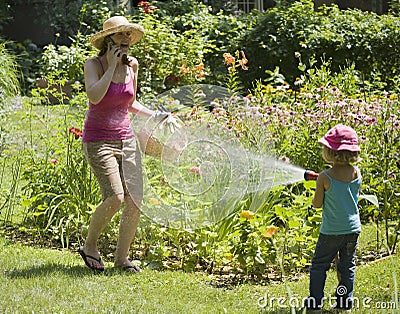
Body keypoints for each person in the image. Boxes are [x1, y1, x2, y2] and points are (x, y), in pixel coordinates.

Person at [78, 16, 170, 272]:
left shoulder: (133, 66)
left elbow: (129, 103)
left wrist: (155, 114)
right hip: (98, 140)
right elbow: (95, 97)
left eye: (129, 35)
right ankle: (90, 246)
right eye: (121, 35)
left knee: (135, 198)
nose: (127, 40)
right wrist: (111, 67)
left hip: (126, 138)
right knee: (115, 197)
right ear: (108, 41)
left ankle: (121, 259)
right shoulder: (93, 64)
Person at [304, 124, 362, 312]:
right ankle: (345, 301)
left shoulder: (324, 176)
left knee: (319, 265)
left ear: (330, 152)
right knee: (346, 266)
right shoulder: (356, 172)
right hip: (352, 229)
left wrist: (319, 186)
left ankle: (315, 303)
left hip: (331, 231)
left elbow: (317, 204)